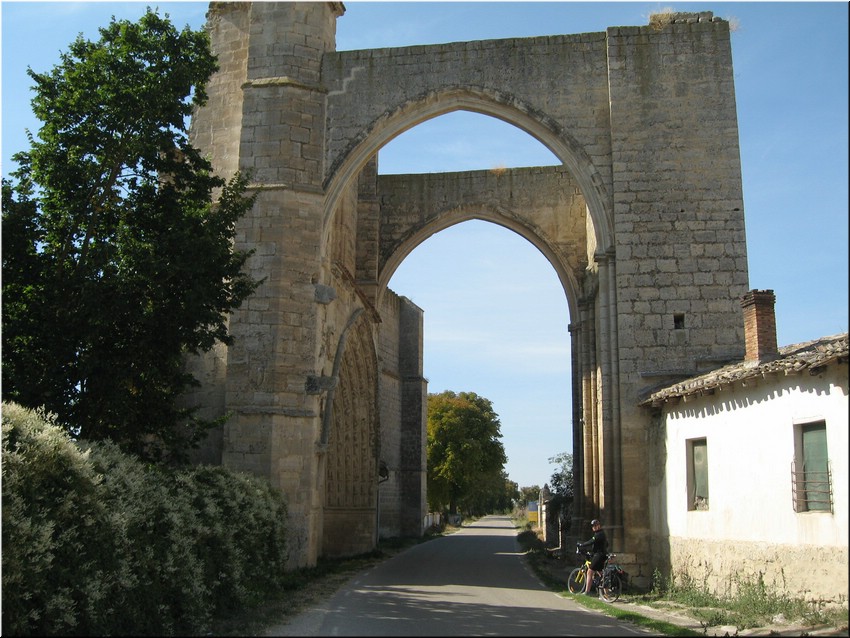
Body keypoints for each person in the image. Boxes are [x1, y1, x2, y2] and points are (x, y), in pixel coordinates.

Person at [576, 519, 608, 594]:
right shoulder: (601, 533)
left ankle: (587, 591)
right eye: (593, 526)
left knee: (590, 572)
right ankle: (606, 593)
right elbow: (606, 544)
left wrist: (582, 544)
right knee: (601, 573)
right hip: (602, 554)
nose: (593, 527)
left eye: (595, 526)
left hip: (599, 555)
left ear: (598, 526)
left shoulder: (599, 534)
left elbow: (592, 541)